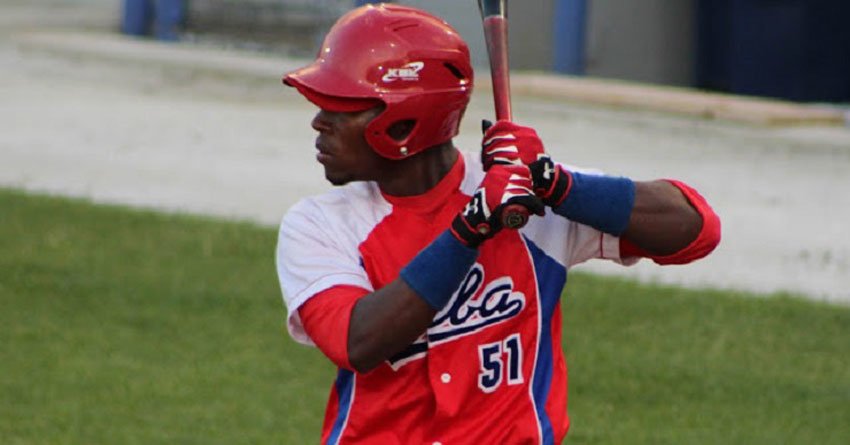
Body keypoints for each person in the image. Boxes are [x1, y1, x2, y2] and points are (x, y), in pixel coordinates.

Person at [275, 4, 720, 444]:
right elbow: (357, 341)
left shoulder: (523, 191)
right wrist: (469, 229)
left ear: (404, 120)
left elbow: (696, 230)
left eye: (341, 107)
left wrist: (557, 184)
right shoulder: (318, 225)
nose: (319, 122)